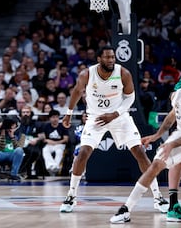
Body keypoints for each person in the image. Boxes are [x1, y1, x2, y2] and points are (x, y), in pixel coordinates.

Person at [59, 45, 168, 213]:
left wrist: (114, 114)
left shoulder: (123, 73)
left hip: (119, 117)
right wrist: (68, 114)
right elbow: (76, 91)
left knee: (139, 152)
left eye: (113, 57)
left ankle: (158, 197)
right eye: (107, 57)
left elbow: (130, 97)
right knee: (82, 154)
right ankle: (71, 196)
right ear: (98, 59)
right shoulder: (87, 74)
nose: (111, 60)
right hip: (95, 117)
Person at [110, 76, 181, 223]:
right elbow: (172, 116)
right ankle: (127, 209)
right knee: (157, 163)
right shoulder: (177, 94)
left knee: (175, 158)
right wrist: (156, 135)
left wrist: (171, 144)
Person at [17, 105, 44, 179]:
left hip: (33, 144)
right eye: (24, 112)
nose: (25, 114)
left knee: (33, 151)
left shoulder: (36, 124)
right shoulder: (17, 125)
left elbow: (42, 136)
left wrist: (36, 139)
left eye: (27, 112)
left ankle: (21, 171)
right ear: (20, 114)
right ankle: (22, 171)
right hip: (20, 144)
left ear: (31, 113)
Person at [41, 109, 69, 175]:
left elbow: (66, 139)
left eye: (56, 117)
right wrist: (50, 141)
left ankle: (53, 168)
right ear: (50, 118)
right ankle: (53, 166)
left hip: (60, 144)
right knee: (45, 150)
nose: (55, 119)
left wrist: (56, 143)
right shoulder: (46, 126)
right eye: (53, 117)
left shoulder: (62, 126)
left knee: (59, 151)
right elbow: (43, 138)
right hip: (49, 144)